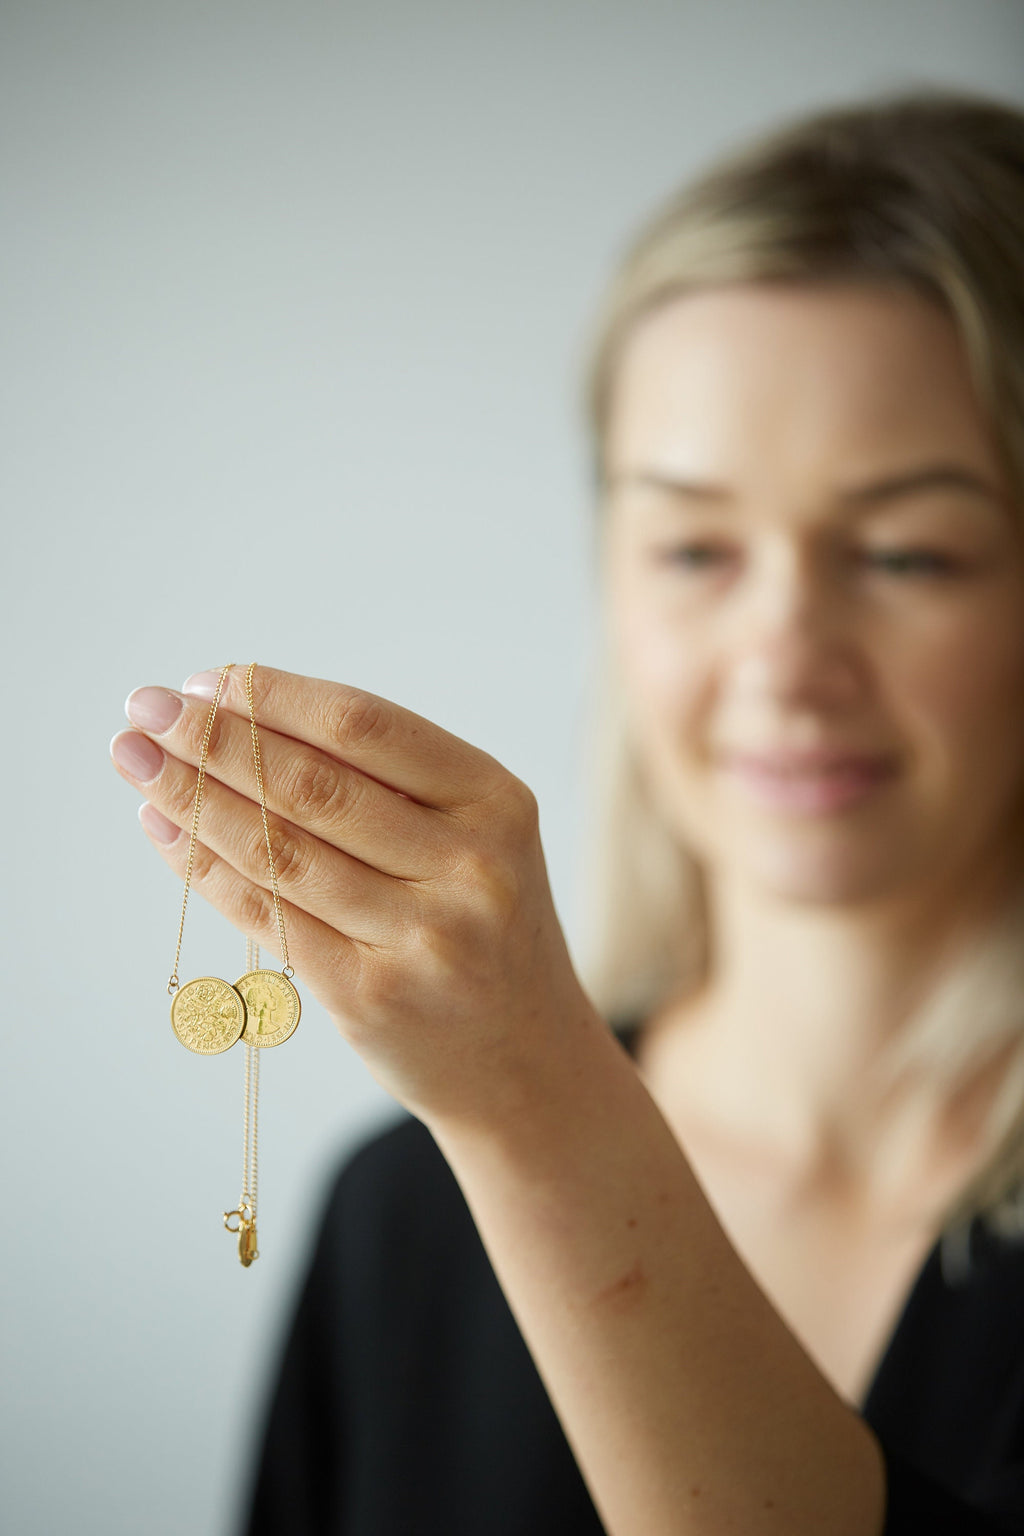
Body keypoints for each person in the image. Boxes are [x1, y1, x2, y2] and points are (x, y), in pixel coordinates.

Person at [109, 87, 1024, 1534]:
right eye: (694, 546)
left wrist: (540, 1101)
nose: (784, 659)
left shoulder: (506, 1121)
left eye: (910, 553)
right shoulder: (402, 1219)